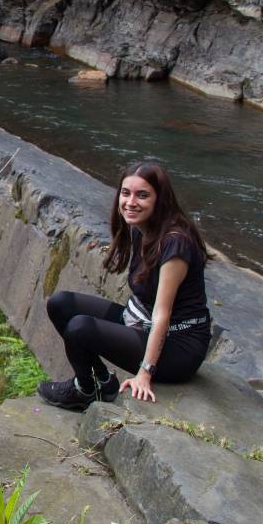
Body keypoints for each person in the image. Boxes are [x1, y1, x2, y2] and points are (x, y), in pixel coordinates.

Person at [37, 161, 211, 410]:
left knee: (80, 328)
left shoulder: (176, 244)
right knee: (61, 303)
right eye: (126, 193)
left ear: (159, 199)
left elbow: (163, 314)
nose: (131, 202)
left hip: (178, 347)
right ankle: (100, 382)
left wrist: (145, 373)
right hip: (142, 321)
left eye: (142, 195)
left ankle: (85, 390)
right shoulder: (142, 227)